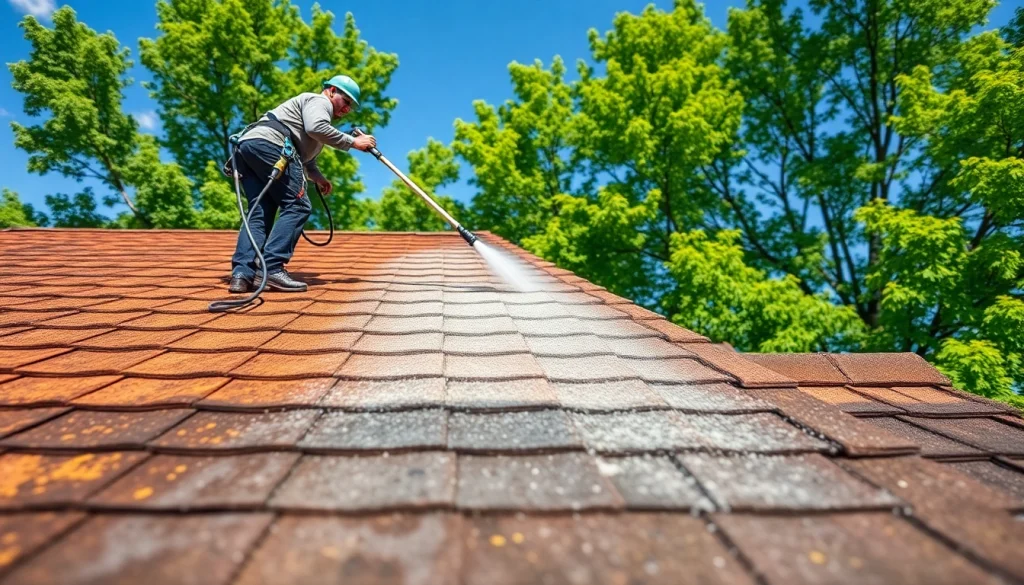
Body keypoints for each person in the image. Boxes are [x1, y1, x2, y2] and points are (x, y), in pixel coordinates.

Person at [227, 74, 377, 293]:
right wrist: (353, 142)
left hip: (249, 148)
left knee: (261, 212)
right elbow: (316, 127)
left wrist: (317, 176)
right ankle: (271, 267)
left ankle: (242, 275)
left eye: (351, 108)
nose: (346, 110)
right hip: (272, 145)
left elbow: (306, 158)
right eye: (346, 102)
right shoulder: (319, 102)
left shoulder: (312, 119)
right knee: (298, 205)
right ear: (332, 91)